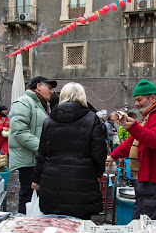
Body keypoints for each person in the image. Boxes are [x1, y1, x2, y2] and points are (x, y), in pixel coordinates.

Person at [31, 83, 107, 218]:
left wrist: (36, 179)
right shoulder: (91, 118)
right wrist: (94, 172)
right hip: (82, 179)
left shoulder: (49, 121)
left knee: (53, 227)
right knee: (79, 228)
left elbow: (42, 154)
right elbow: (99, 152)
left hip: (52, 180)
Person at [106, 79, 156, 220]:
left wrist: (133, 127)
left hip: (153, 180)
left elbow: (154, 140)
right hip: (145, 178)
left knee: (145, 222)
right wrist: (113, 155)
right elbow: (133, 142)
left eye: (139, 99)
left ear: (152, 98)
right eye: (135, 100)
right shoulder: (148, 116)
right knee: (145, 219)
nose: (136, 104)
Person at [9, 76, 57, 214]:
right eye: (49, 87)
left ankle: (32, 223)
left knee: (35, 196)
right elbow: (19, 131)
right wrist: (43, 149)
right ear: (38, 86)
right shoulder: (23, 102)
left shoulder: (42, 106)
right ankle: (22, 224)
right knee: (27, 195)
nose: (52, 91)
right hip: (27, 160)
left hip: (36, 159)